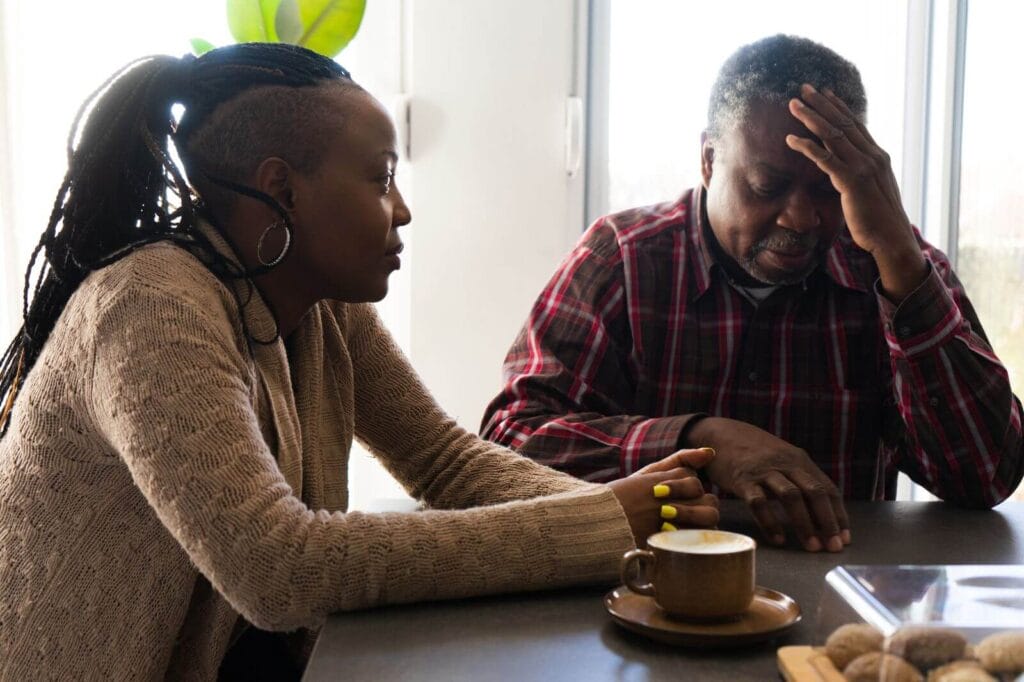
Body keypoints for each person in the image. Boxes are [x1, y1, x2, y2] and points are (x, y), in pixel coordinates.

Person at [0, 44, 720, 679]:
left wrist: (621, 517)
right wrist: (599, 525)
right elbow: (277, 566)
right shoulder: (151, 306)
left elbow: (446, 464)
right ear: (281, 189)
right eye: (380, 179)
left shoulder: (319, 303)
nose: (401, 210)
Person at [481, 34, 1024, 555]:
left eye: (828, 188)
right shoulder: (622, 258)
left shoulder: (894, 267)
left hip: (833, 603)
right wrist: (698, 442)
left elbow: (986, 474)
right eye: (767, 187)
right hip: (650, 594)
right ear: (709, 160)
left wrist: (901, 262)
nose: (801, 217)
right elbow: (510, 444)